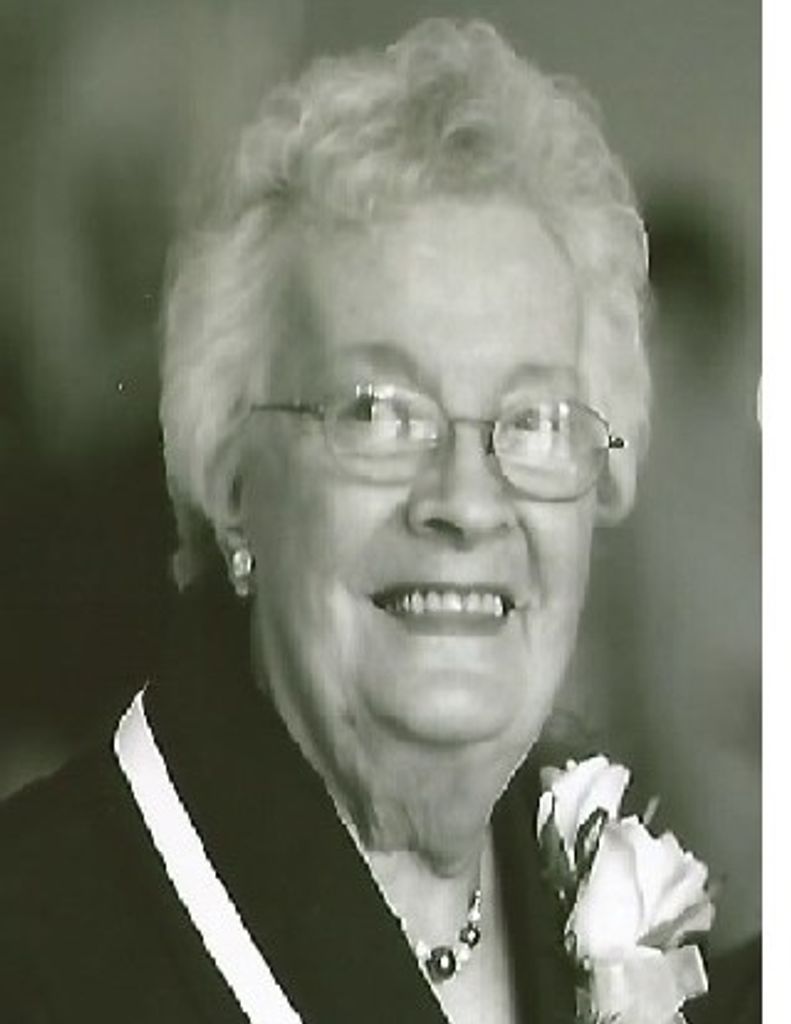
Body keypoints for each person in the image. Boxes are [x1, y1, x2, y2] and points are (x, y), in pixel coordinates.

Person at [0, 19, 653, 1023]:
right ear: (230, 481)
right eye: (379, 412)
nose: (464, 501)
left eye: (531, 420)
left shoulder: (633, 924)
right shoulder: (37, 946)